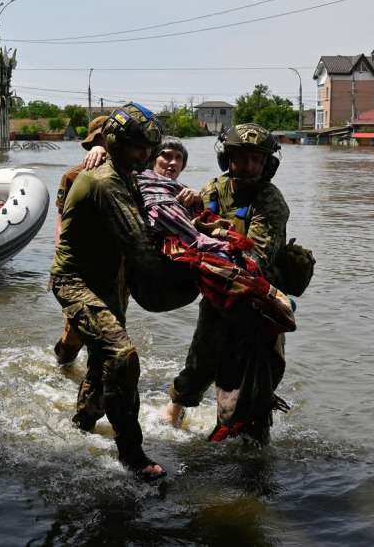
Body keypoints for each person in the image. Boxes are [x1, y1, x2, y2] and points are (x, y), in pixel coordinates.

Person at [50, 102, 170, 480]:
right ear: (116, 143)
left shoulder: (127, 176)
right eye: (137, 147)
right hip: (76, 281)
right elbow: (142, 246)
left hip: (107, 282)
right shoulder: (103, 181)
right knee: (123, 356)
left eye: (148, 148)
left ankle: (82, 424)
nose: (145, 155)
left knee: (103, 361)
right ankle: (131, 453)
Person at [160, 123, 292, 446]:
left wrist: (212, 237)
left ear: (267, 164)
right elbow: (189, 227)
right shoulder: (215, 190)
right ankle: (174, 410)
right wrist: (189, 208)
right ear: (227, 159)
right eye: (241, 159)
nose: (248, 167)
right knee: (200, 364)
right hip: (218, 299)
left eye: (256, 160)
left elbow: (255, 259)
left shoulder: (271, 202)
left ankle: (248, 450)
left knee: (254, 391)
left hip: (257, 308)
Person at [52, 114, 110, 365]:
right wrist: (63, 255)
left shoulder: (129, 175)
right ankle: (63, 362)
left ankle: (99, 380)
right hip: (81, 267)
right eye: (100, 142)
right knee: (75, 333)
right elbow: (61, 220)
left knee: (110, 330)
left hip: (113, 268)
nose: (105, 146)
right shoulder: (74, 176)